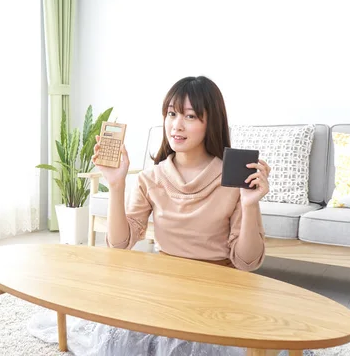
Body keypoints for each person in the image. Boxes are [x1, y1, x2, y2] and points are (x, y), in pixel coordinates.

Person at [28, 76, 272, 356]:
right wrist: (117, 184)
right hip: (163, 287)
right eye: (171, 113)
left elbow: (247, 261)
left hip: (217, 292)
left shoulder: (234, 179)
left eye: (190, 116)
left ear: (211, 122)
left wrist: (250, 204)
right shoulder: (150, 177)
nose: (176, 125)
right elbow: (120, 245)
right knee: (118, 342)